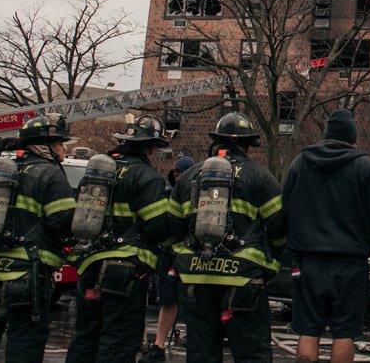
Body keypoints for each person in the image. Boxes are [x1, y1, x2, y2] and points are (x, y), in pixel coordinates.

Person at [168, 111, 288, 363]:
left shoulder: (190, 176)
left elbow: (171, 228)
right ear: (248, 145)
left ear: (217, 141)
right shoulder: (260, 177)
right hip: (243, 281)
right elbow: (278, 228)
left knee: (201, 353)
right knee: (251, 354)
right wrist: (272, 259)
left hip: (195, 280)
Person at [0, 114, 77, 363]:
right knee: (25, 340)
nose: (63, 151)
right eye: (60, 144)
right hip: (28, 273)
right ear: (47, 145)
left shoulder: (0, 173)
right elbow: (61, 222)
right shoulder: (50, 173)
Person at [66, 114, 173, 363]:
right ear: (151, 148)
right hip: (124, 271)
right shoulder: (147, 177)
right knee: (119, 339)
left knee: (85, 336)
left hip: (89, 264)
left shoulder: (97, 173)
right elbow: (157, 226)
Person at [282, 108, 370, 363]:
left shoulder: (300, 163)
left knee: (307, 329)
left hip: (308, 261)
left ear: (325, 134)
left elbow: (286, 209)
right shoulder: (367, 167)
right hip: (350, 263)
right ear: (352, 137)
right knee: (344, 332)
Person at [142, 154, 195, 363]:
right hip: (170, 254)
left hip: (189, 256)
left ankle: (195, 339)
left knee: (193, 302)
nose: (178, 177)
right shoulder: (167, 195)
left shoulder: (194, 196)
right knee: (167, 301)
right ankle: (158, 345)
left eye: (182, 173)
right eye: (176, 174)